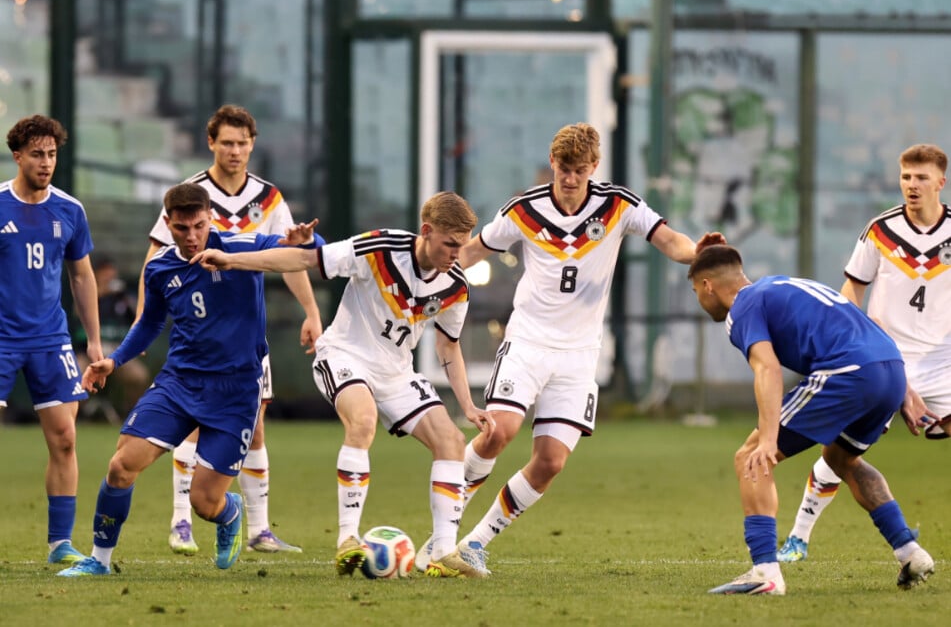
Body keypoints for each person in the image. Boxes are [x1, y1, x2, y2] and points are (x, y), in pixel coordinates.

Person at [437, 123, 723, 576]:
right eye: (563, 169)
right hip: (528, 341)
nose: (570, 179)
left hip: (578, 353)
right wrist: (430, 272)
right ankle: (441, 537)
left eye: (579, 170)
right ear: (552, 164)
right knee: (499, 431)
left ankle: (474, 543)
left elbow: (670, 240)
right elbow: (472, 253)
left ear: (594, 167)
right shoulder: (523, 210)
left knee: (550, 462)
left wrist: (697, 252)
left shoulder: (618, 206)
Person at [191, 191, 495, 578]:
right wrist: (232, 260)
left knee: (451, 441)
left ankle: (442, 550)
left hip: (397, 372)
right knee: (363, 421)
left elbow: (448, 345)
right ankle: (348, 540)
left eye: (463, 245)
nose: (457, 253)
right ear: (427, 231)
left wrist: (467, 405)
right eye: (450, 244)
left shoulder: (456, 285)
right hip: (345, 356)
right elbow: (303, 258)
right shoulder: (380, 248)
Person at [57, 183, 325, 577]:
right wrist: (113, 362)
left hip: (235, 392)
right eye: (181, 228)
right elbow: (149, 325)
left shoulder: (241, 246)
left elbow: (305, 256)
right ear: (168, 224)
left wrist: (308, 239)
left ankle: (229, 513)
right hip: (179, 382)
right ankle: (99, 560)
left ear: (210, 218)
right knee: (121, 466)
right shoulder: (160, 267)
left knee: (204, 502)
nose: (191, 236)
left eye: (198, 226)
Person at [688, 244, 934, 595]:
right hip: (890, 368)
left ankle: (765, 573)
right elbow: (858, 326)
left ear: (708, 285)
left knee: (751, 457)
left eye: (696, 290)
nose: (698, 298)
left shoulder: (743, 306)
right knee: (842, 459)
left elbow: (767, 368)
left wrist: (769, 438)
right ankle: (910, 551)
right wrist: (902, 388)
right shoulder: (784, 286)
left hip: (850, 372)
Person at [137, 105, 321, 555]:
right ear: (211, 144)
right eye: (226, 143)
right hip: (199, 329)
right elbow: (156, 257)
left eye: (242, 143)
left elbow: (289, 256)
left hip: (244, 331)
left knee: (254, 426)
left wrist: (312, 312)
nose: (235, 151)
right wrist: (149, 317)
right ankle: (181, 520)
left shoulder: (269, 198)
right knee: (193, 426)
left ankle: (259, 529)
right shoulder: (190, 193)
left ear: (252, 144)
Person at [777, 143, 951, 563]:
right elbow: (852, 290)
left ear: (940, 183)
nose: (912, 185)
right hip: (884, 362)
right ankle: (799, 537)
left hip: (943, 363)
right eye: (906, 176)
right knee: (839, 454)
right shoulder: (881, 230)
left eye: (921, 177)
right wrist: (845, 345)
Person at [0, 114, 102, 565]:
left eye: (52, 154)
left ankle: (60, 543)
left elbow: (81, 276)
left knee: (64, 438)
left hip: (50, 339)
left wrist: (94, 344)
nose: (46, 163)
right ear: (17, 155)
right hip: (1, 339)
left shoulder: (70, 210)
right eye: (37, 154)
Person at [73, 255, 149, 421]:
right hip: (88, 351)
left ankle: (130, 415)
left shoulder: (121, 297)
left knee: (138, 376)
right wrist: (101, 293)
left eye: (111, 271)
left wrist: (124, 298)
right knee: (75, 375)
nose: (109, 275)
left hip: (116, 351)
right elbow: (77, 314)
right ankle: (79, 415)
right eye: (104, 271)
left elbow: (138, 318)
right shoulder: (87, 294)